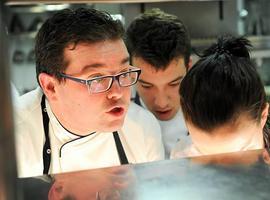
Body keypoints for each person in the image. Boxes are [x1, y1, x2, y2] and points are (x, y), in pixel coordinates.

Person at [14, 8, 164, 178]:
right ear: (50, 87)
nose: (117, 92)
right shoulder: (12, 140)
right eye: (97, 79)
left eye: (123, 73)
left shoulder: (142, 130)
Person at [171, 35, 270, 159]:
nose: (229, 170)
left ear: (263, 115)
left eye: (243, 152)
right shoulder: (182, 157)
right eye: (207, 155)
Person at [125, 8, 192, 158]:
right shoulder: (118, 117)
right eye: (147, 86)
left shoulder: (213, 107)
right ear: (129, 74)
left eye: (174, 84)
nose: (161, 103)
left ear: (189, 68)